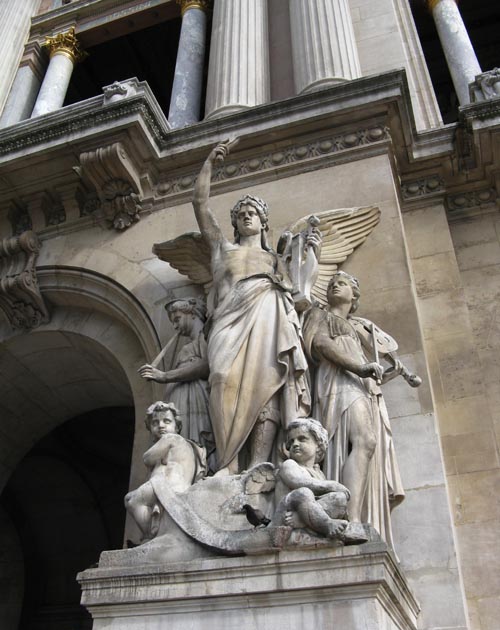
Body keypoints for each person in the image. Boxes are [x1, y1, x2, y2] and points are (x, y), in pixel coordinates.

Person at [192, 139, 318, 474]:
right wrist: (208, 163)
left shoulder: (275, 260)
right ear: (234, 223)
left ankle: (260, 464)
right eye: (241, 214)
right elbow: (200, 204)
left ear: (263, 222)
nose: (247, 217)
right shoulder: (222, 249)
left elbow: (299, 288)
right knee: (219, 376)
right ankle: (228, 461)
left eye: (253, 214)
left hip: (266, 311)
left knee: (267, 384)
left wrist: (308, 254)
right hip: (227, 319)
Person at [303, 271, 405, 552]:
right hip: (336, 382)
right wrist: (360, 367)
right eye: (333, 282)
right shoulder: (319, 314)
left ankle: (355, 515)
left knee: (367, 443)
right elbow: (321, 345)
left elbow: (366, 358)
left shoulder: (357, 326)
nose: (335, 284)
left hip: (359, 386)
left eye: (343, 283)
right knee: (365, 440)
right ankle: (351, 518)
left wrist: (382, 371)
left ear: (354, 295)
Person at [138, 298, 215, 467]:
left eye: (177, 319)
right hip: (183, 399)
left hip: (195, 397)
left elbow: (206, 365)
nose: (175, 326)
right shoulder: (189, 345)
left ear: (192, 314)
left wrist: (164, 376)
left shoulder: (205, 336)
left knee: (195, 439)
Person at [124, 401, 207, 541]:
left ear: (177, 426)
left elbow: (147, 458)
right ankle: (155, 533)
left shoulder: (171, 438)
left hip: (167, 486)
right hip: (170, 486)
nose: (161, 425)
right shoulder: (185, 445)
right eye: (155, 423)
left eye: (166, 421)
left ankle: (152, 535)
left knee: (131, 500)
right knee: (132, 499)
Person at [270, 418, 350, 540]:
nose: (295, 444)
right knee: (303, 492)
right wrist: (332, 485)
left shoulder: (319, 474)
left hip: (301, 513)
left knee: (340, 498)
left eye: (302, 439)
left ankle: (302, 520)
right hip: (284, 514)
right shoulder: (289, 464)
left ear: (318, 446)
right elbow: (298, 482)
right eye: (291, 442)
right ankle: (327, 524)